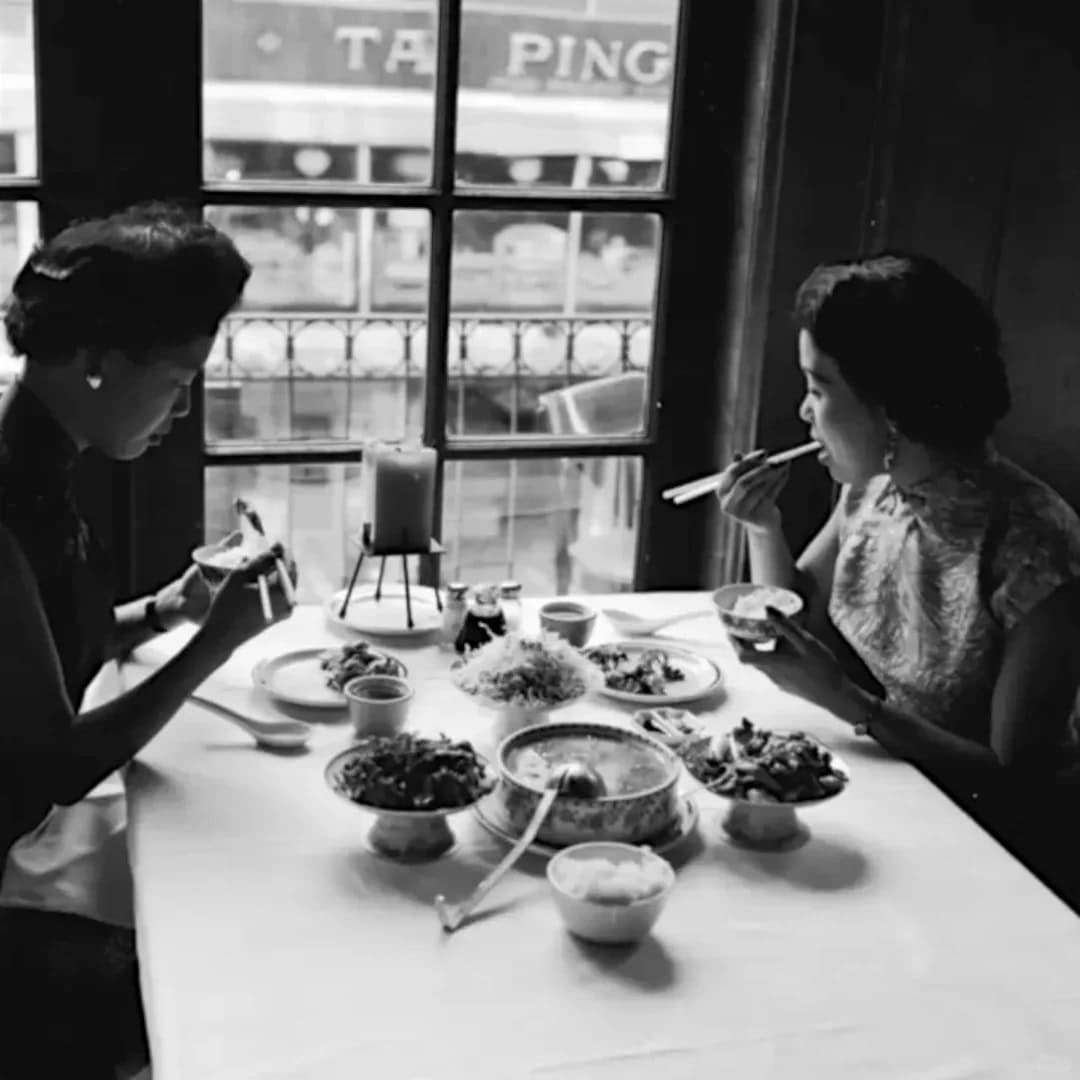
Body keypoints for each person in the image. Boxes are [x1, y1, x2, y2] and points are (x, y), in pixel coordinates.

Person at [0, 203, 296, 1078]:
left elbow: (51, 656)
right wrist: (218, 648)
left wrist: (173, 609)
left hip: (26, 836)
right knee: (233, 964)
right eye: (177, 379)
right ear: (95, 362)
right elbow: (53, 758)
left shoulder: (40, 465)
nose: (185, 407)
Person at [714, 251, 1080, 808]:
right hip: (905, 779)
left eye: (818, 388)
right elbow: (797, 619)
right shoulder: (876, 486)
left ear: (890, 408)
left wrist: (849, 703)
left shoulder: (1035, 542)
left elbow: (1018, 782)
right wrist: (762, 527)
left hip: (999, 836)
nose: (804, 413)